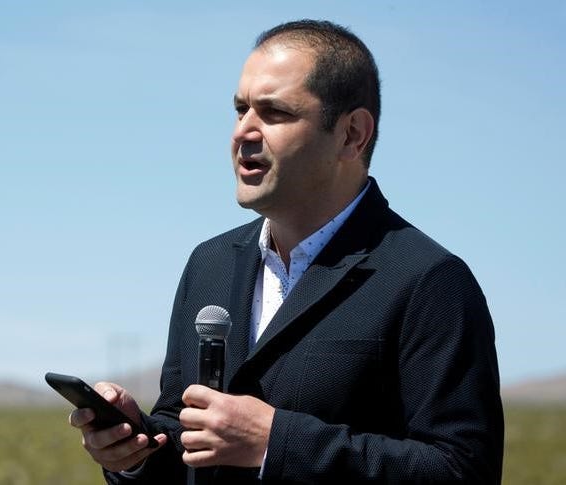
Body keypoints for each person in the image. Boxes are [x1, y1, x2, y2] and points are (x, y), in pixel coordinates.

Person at [69, 19, 504, 484]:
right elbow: (186, 436)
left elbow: (463, 471)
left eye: (274, 112)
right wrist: (136, 449)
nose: (244, 133)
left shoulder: (429, 280)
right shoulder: (209, 264)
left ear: (352, 134)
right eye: (240, 110)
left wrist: (278, 444)